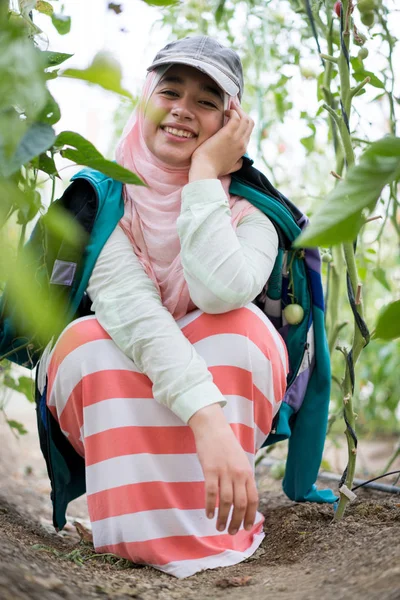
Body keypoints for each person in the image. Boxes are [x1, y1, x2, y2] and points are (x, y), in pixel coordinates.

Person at [44, 36, 289, 578]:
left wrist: (203, 176)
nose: (182, 109)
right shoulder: (105, 198)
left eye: (206, 101)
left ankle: (216, 525)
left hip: (213, 377)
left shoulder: (253, 211)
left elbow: (219, 292)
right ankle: (134, 530)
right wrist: (207, 418)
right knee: (87, 343)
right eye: (169, 91)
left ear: (232, 122)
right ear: (145, 99)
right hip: (144, 371)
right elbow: (134, 313)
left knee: (239, 327)